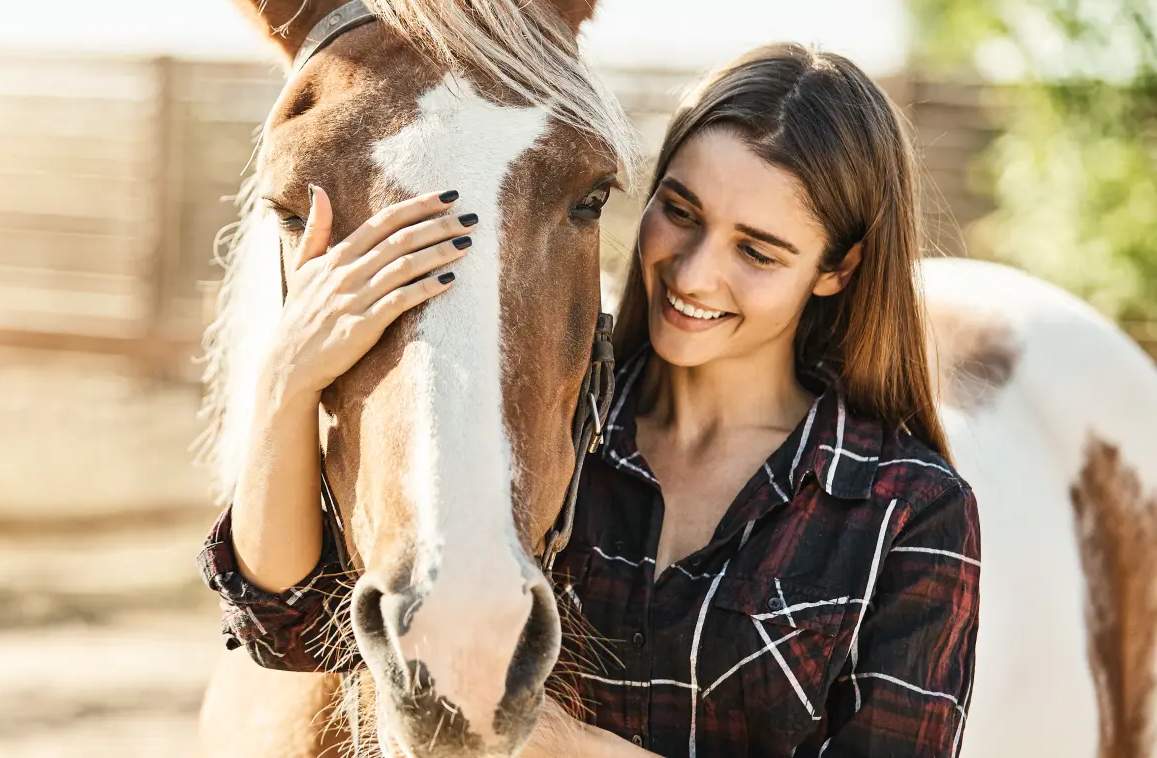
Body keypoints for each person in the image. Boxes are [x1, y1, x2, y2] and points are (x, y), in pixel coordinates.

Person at [198, 43, 981, 757]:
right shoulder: (550, 423)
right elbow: (287, 630)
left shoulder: (908, 511)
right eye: (680, 213)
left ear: (838, 269)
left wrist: (566, 745)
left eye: (756, 251)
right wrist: (287, 377)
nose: (693, 274)